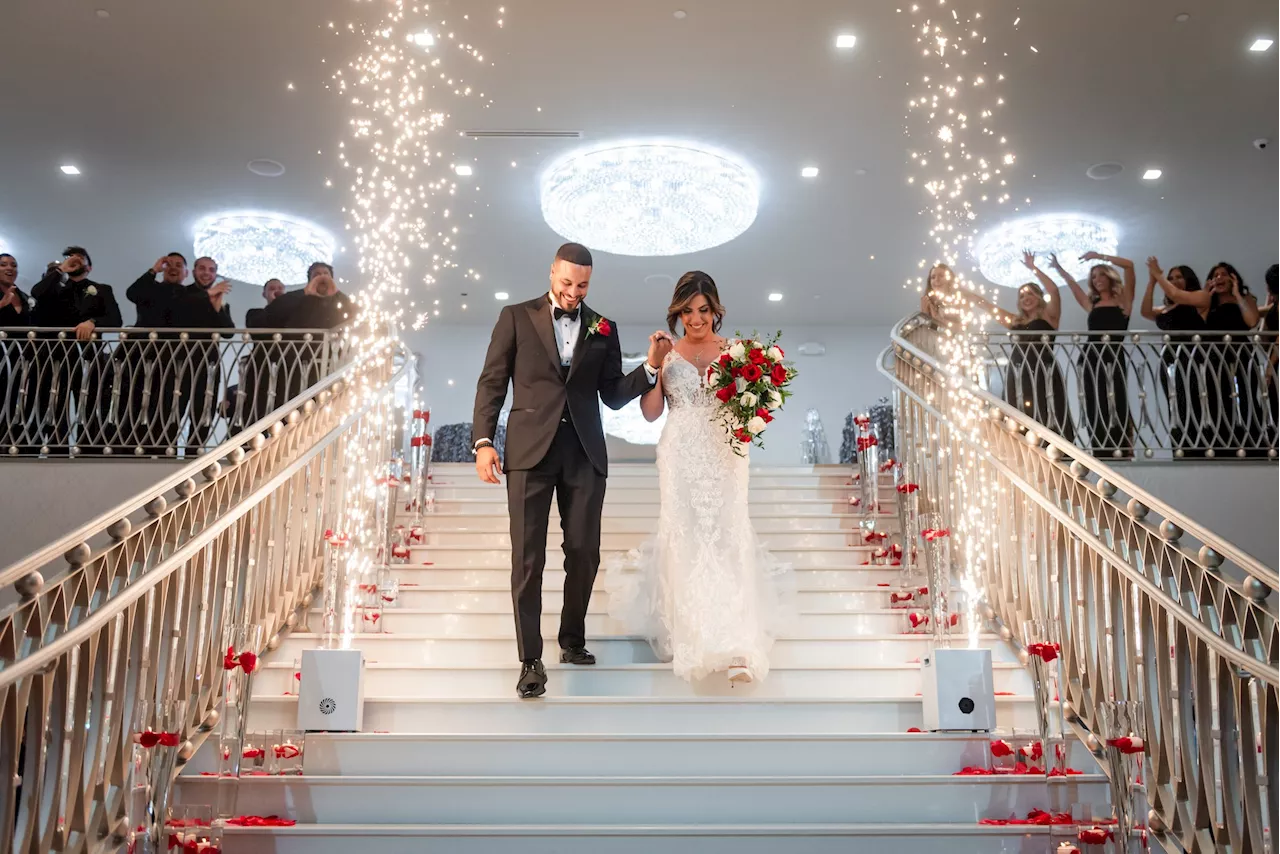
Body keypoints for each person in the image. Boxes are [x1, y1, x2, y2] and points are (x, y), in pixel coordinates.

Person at [471, 243, 663, 699]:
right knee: (528, 558)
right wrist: (483, 442)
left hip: (584, 453)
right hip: (527, 452)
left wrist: (651, 368)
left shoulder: (604, 327)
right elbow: (493, 380)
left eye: (583, 285)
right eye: (567, 283)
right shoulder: (515, 317)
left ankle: (572, 640)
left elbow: (614, 394)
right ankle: (530, 659)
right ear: (552, 273)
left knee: (584, 552)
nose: (574, 292)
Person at [605, 271, 795, 685]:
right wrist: (653, 365)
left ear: (715, 310)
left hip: (726, 450)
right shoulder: (667, 353)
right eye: (688, 311)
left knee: (727, 534)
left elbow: (756, 404)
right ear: (678, 313)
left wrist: (752, 415)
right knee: (687, 535)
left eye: (703, 310)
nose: (696, 319)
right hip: (681, 450)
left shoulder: (737, 351)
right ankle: (695, 636)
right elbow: (652, 413)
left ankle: (740, 645)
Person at [1156, 261, 1261, 455]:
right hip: (1214, 360)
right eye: (1215, 275)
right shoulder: (1207, 302)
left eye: (1223, 274)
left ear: (1233, 278)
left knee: (1246, 399)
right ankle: (1223, 446)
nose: (1219, 278)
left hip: (1240, 356)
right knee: (1217, 402)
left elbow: (1252, 321)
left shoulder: (1245, 298)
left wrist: (1237, 294)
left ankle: (1250, 445)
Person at [969, 253, 1076, 441]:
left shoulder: (1049, 317)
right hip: (1019, 372)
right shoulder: (1015, 321)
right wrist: (965, 293)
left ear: (1038, 297)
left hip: (1043, 371)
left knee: (1046, 407)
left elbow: (1054, 291)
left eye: (1030, 293)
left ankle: (1053, 449)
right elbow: (988, 306)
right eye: (1022, 295)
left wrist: (1033, 268)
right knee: (1020, 411)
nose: (1026, 298)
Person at [30, 246, 122, 454]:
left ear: (89, 266)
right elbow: (37, 294)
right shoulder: (56, 289)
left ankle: (88, 447)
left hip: (90, 354)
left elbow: (115, 319)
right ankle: (57, 448)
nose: (75, 261)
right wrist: (61, 270)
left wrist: (92, 322)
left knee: (90, 401)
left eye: (80, 259)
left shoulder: (102, 289)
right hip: (58, 355)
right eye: (71, 258)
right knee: (57, 401)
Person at [1053, 251, 1136, 458]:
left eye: (1101, 275)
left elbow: (1129, 266)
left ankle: (1121, 448)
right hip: (1091, 358)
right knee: (1095, 402)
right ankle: (1100, 449)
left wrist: (1099, 257)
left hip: (1114, 357)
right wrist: (1059, 269)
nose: (1097, 279)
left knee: (1117, 400)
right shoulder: (1093, 304)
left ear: (1109, 277)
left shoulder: (1124, 302)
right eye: (1094, 277)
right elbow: (1073, 286)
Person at [118, 253, 189, 453]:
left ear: (186, 273)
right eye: (169, 264)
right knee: (136, 401)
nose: (173, 268)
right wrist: (153, 271)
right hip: (142, 355)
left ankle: (163, 449)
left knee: (167, 404)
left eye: (178, 265)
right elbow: (132, 293)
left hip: (173, 358)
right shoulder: (151, 288)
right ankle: (130, 449)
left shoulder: (188, 295)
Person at [167, 256, 234, 456]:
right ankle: (168, 451)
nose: (207, 273)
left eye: (212, 270)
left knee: (205, 407)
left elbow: (228, 332)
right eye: (203, 269)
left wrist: (217, 307)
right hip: (182, 360)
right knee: (175, 407)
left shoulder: (219, 300)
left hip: (209, 362)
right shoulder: (182, 292)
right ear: (194, 271)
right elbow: (178, 312)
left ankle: (194, 452)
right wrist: (209, 295)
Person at [1141, 259, 1206, 457]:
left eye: (1179, 277)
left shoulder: (1199, 297)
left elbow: (1176, 294)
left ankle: (1198, 449)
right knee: (1174, 404)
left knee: (1193, 401)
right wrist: (1152, 281)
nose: (1174, 280)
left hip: (1191, 357)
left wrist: (1158, 275)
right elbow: (1145, 311)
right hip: (1169, 360)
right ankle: (1180, 448)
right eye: (1171, 277)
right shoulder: (1167, 308)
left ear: (1188, 279)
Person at [262, 263, 350, 403]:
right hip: (297, 365)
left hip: (331, 365)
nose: (321, 277)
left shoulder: (341, 300)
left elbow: (357, 316)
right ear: (309, 280)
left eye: (325, 274)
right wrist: (306, 292)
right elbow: (273, 311)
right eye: (316, 274)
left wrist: (336, 292)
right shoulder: (297, 297)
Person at [236, 278, 287, 427]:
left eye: (280, 288)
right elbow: (257, 330)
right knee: (257, 406)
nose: (276, 291)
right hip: (260, 367)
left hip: (285, 367)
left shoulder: (292, 316)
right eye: (272, 288)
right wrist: (276, 304)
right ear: (264, 293)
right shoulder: (254, 313)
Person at [0, 254, 34, 449]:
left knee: (14, 401)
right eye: (3, 265)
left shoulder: (24, 296)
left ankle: (10, 443)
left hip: (20, 359)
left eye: (13, 265)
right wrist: (2, 304)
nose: (9, 268)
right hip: (1, 356)